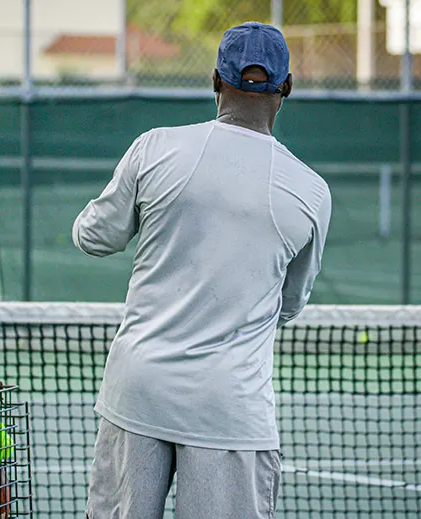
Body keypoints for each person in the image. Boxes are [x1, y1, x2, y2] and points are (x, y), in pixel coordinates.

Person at [74, 22, 331, 518]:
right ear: (287, 87)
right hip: (231, 410)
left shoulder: (153, 149)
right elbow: (289, 305)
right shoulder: (311, 193)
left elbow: (92, 237)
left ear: (215, 80)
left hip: (138, 393)